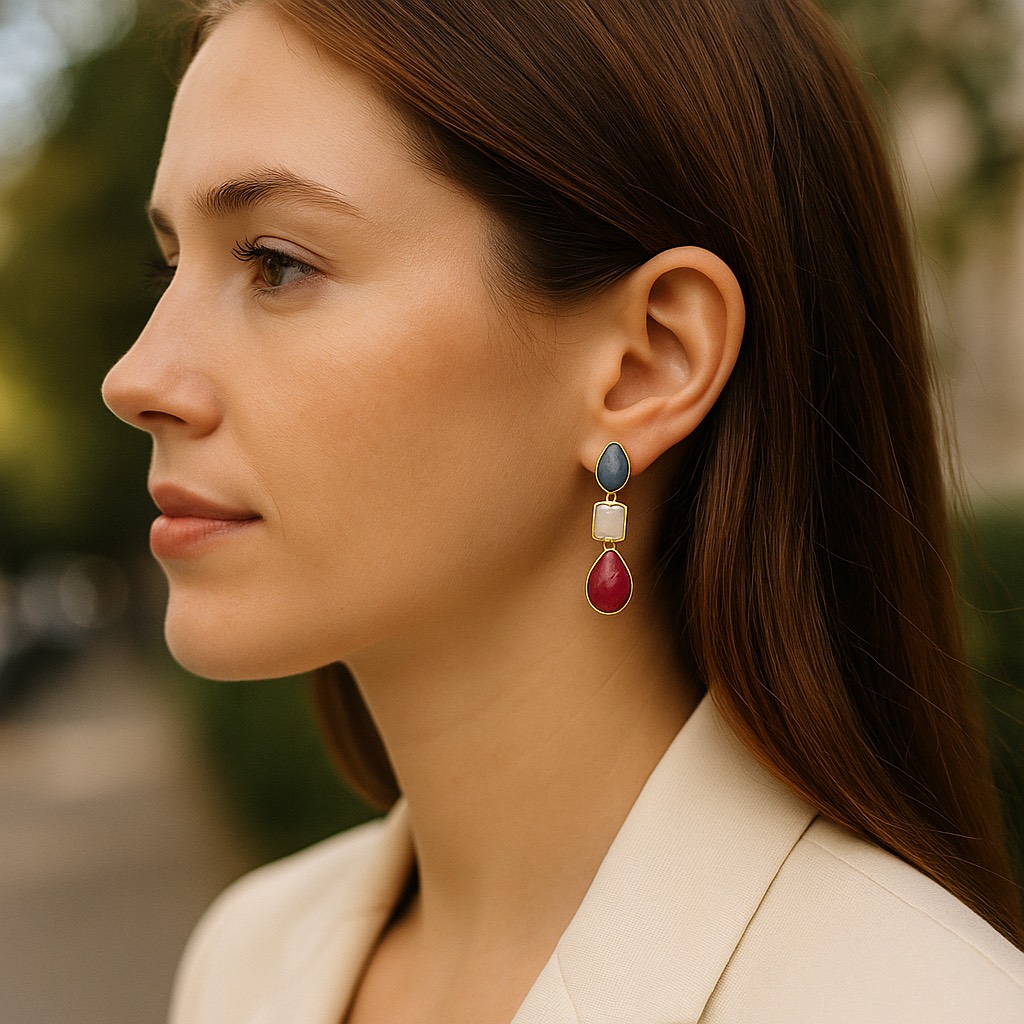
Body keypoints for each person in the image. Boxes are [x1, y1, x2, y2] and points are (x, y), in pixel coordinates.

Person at [101, 0, 1024, 1020]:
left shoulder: (923, 1001)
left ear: (645, 364)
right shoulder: (245, 960)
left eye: (277, 262)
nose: (138, 375)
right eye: (170, 262)